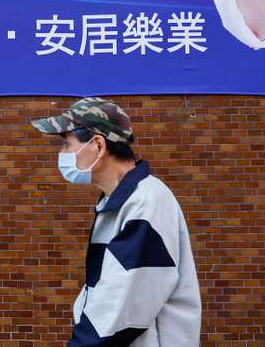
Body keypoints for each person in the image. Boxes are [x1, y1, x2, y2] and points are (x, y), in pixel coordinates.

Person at [31, 98, 200, 346]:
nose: (62, 154)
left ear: (98, 146)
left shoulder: (145, 203)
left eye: (66, 145)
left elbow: (116, 311)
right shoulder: (118, 204)